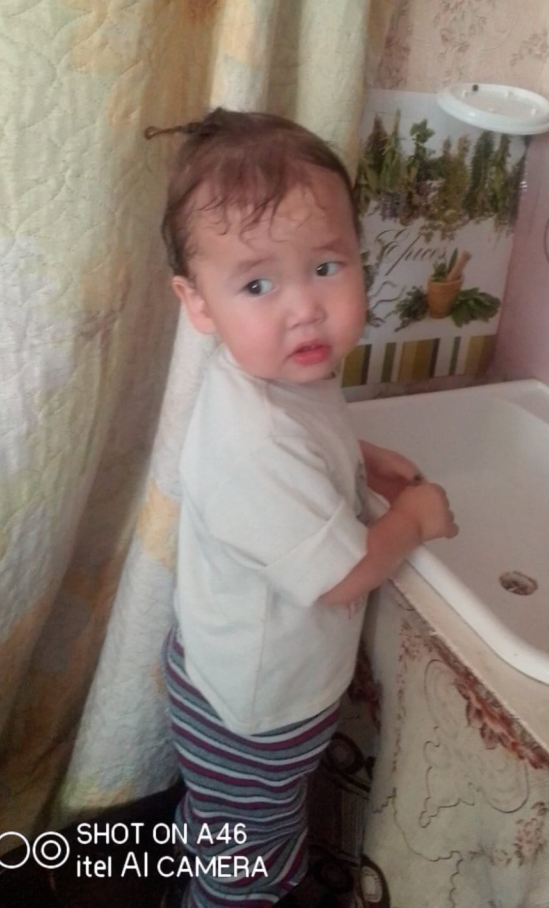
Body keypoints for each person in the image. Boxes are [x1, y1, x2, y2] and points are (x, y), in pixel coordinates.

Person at [149, 108, 458, 908]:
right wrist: (414, 520)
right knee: (243, 864)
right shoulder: (252, 438)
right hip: (255, 713)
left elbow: (309, 446)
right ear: (198, 304)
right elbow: (341, 575)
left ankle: (213, 850)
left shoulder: (278, 373)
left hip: (234, 676)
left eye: (325, 266)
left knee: (237, 827)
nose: (304, 308)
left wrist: (361, 457)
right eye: (258, 284)